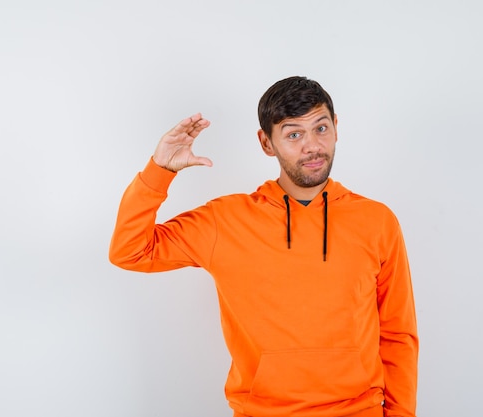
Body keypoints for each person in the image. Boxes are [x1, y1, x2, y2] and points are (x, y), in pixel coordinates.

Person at [109, 76, 418, 417]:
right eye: (294, 134)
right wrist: (160, 170)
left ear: (336, 128)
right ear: (266, 143)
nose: (312, 146)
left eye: (321, 128)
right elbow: (130, 250)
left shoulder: (377, 220)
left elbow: (398, 335)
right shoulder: (224, 221)